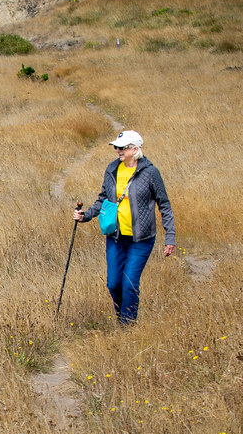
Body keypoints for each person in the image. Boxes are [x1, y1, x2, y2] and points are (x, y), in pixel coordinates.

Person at [73, 130, 175, 325]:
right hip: (115, 237)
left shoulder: (150, 173)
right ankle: (123, 316)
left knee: (129, 284)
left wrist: (170, 237)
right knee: (113, 284)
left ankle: (128, 326)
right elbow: (103, 199)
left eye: (122, 147)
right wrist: (85, 216)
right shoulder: (112, 169)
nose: (118, 150)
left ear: (135, 149)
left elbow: (165, 205)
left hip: (141, 239)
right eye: (116, 147)